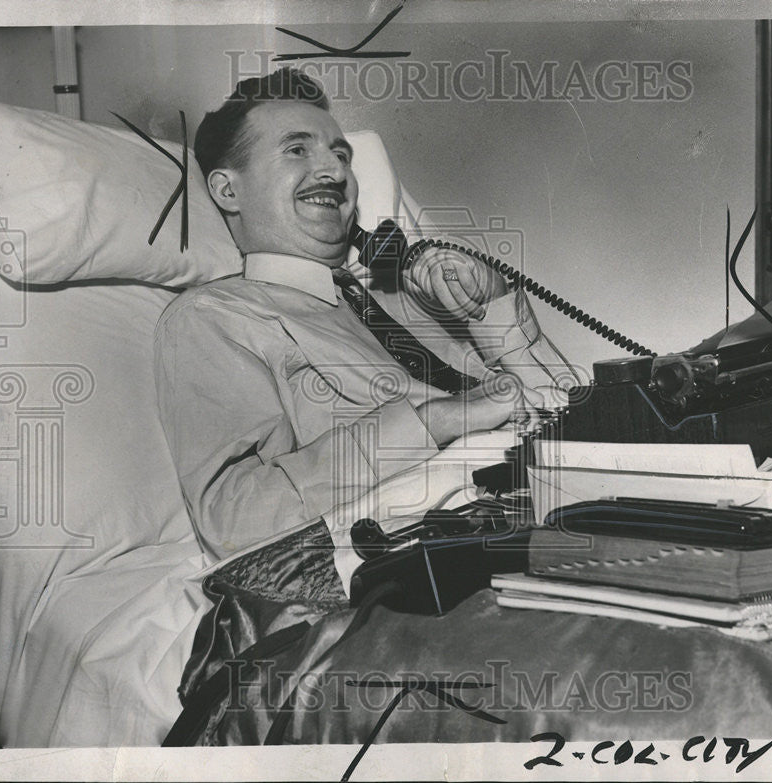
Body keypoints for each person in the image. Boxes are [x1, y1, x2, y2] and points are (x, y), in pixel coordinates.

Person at [154, 68, 577, 559]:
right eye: (297, 150)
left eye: (340, 154)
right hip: (448, 552)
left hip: (560, 500)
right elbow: (234, 518)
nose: (334, 171)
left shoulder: (405, 298)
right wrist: (430, 422)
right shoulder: (211, 319)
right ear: (228, 191)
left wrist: (494, 307)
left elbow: (561, 407)